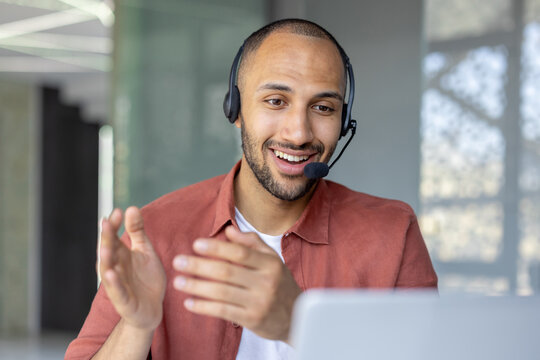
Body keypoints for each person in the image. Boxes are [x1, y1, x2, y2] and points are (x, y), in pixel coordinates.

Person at [65, 18, 437, 360]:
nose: (299, 133)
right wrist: (137, 326)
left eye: (323, 108)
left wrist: (299, 325)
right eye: (276, 101)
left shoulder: (393, 232)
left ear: (344, 120)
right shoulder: (154, 233)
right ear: (236, 108)